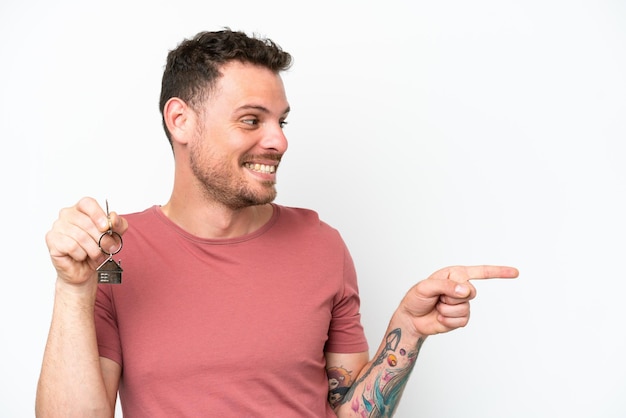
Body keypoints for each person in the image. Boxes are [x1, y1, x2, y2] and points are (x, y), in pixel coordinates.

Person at [35, 29, 519, 417]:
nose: (278, 142)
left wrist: (407, 332)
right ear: (180, 121)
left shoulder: (322, 246)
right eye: (251, 120)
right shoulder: (116, 253)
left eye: (281, 122)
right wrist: (73, 288)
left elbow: (351, 413)